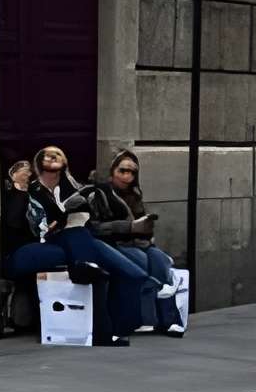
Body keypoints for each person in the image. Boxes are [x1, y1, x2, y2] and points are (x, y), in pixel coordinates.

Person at [25, 144, 167, 337]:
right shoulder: (34, 190)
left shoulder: (73, 187)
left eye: (57, 153)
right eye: (47, 155)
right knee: (126, 270)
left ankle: (155, 316)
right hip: (77, 239)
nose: (53, 157)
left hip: (87, 238)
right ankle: (120, 325)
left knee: (155, 261)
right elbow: (87, 225)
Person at [87, 149, 183, 331]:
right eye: (122, 171)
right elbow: (94, 228)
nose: (127, 176)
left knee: (161, 262)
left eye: (132, 172)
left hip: (140, 243)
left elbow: (142, 226)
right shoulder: (99, 193)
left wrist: (146, 228)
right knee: (143, 262)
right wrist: (129, 227)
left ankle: (168, 320)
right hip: (114, 244)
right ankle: (146, 318)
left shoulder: (135, 195)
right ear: (113, 171)